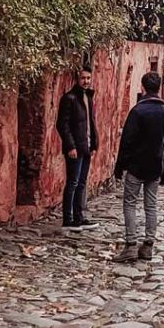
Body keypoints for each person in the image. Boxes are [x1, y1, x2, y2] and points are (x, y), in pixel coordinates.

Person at [113, 71, 164, 262]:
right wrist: (163, 170)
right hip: (154, 164)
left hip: (137, 165)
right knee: (151, 205)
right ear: (159, 87)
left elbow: (127, 141)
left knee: (130, 203)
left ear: (143, 87)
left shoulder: (138, 111)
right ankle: (148, 245)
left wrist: (119, 166)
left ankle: (130, 244)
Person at [57, 68, 100, 229]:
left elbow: (91, 123)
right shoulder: (69, 98)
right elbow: (62, 124)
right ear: (77, 78)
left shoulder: (88, 98)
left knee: (81, 183)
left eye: (88, 78)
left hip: (87, 147)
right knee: (73, 182)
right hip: (75, 148)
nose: (86, 81)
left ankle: (79, 217)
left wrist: (94, 144)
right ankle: (68, 219)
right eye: (83, 78)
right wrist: (70, 146)